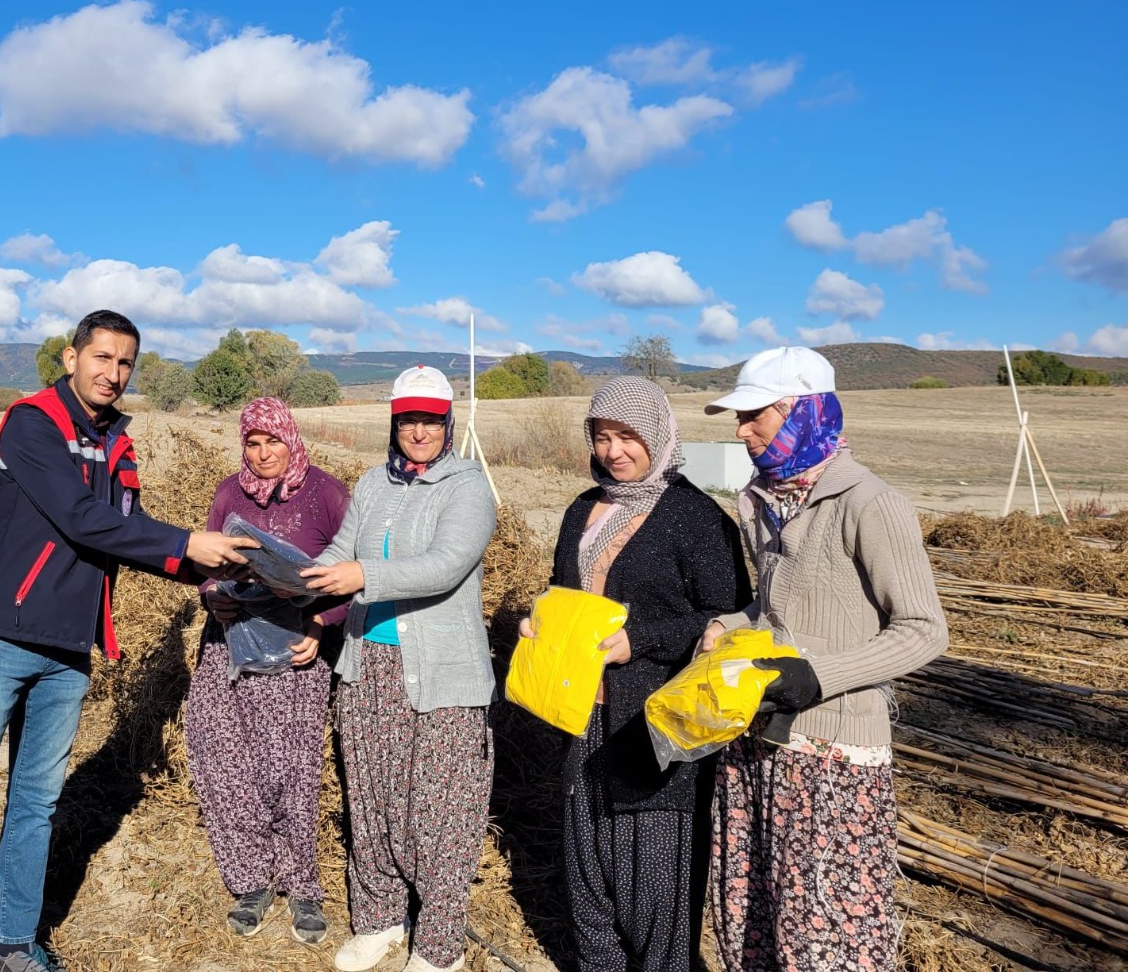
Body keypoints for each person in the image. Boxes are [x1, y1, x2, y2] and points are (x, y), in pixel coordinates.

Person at [0, 310, 257, 972]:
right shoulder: (33, 422)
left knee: (35, 806)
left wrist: (206, 564)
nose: (113, 373)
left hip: (67, 650)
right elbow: (81, 520)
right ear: (70, 356)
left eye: (124, 364)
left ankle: (12, 945)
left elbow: (126, 526)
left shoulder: (116, 442)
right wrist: (185, 542)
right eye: (102, 357)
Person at [699, 346, 948, 972]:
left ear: (805, 412)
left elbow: (923, 630)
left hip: (834, 752)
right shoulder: (760, 500)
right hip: (758, 736)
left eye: (756, 415)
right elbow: (774, 612)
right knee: (752, 915)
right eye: (739, 416)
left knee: (827, 932)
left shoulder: (871, 503)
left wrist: (817, 677)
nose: (741, 430)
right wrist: (726, 625)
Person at [518, 376, 748, 971]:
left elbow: (729, 618)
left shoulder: (697, 518)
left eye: (628, 437)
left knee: (653, 886)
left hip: (651, 723)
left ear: (659, 437)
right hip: (580, 710)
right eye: (601, 437)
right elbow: (567, 595)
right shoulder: (580, 509)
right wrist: (542, 625)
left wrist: (638, 641)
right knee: (587, 871)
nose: (613, 451)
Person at [303, 365, 498, 972]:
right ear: (395, 422)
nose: (418, 431)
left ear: (447, 422)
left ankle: (439, 948)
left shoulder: (467, 488)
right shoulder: (371, 482)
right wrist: (302, 578)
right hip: (369, 664)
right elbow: (344, 550)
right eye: (408, 419)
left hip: (442, 673)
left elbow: (445, 564)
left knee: (438, 811)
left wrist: (364, 577)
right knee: (372, 800)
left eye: (429, 420)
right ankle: (382, 919)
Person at [184, 397, 351, 944]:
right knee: (228, 763)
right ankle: (251, 880)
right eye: (251, 444)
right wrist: (213, 596)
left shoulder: (326, 493)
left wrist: (323, 622)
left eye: (272, 442)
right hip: (231, 642)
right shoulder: (229, 492)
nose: (261, 454)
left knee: (292, 772)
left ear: (292, 440)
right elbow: (207, 561)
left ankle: (301, 885)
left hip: (298, 646)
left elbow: (354, 571)